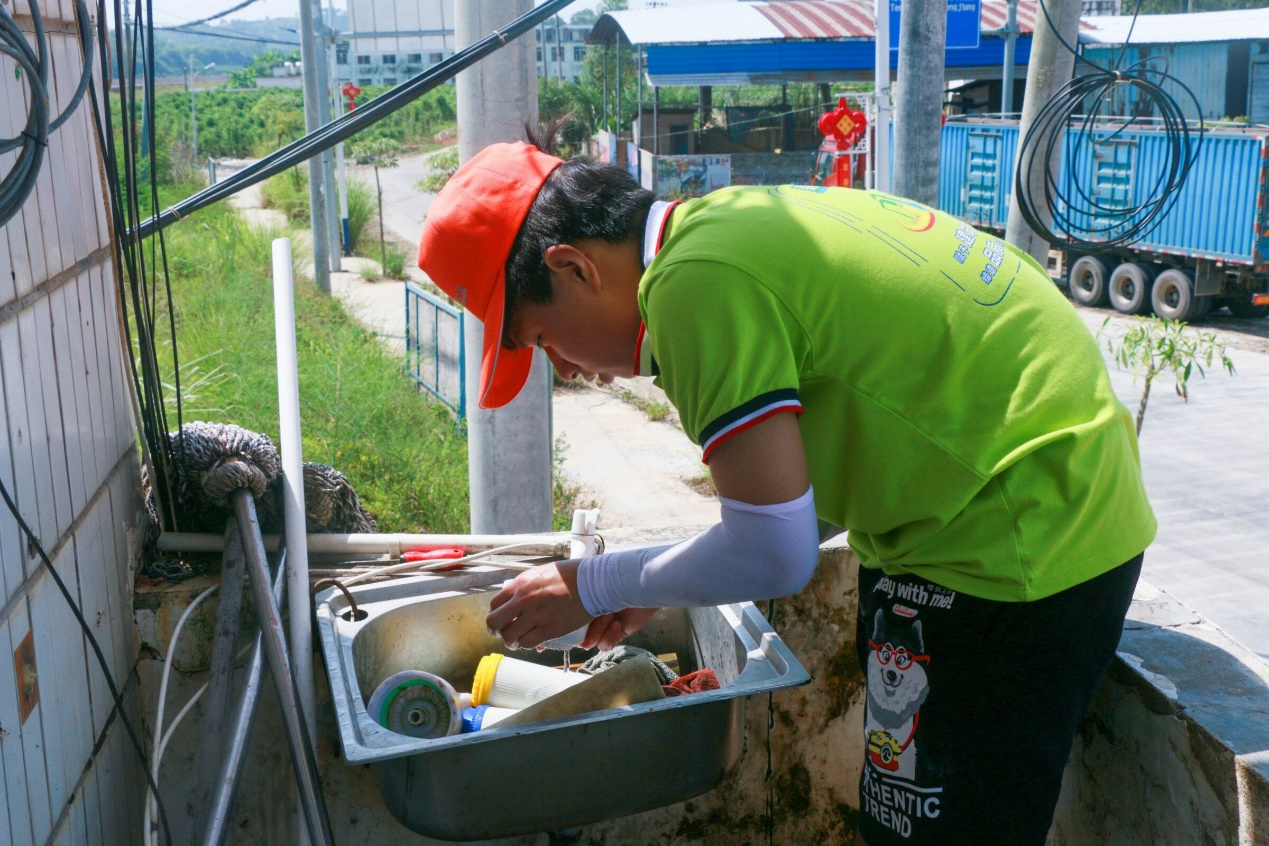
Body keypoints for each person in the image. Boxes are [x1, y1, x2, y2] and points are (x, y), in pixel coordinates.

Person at [416, 122, 1155, 846]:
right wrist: (656, 583)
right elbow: (797, 501)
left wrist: (596, 582)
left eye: (542, 339)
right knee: (908, 816)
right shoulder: (726, 229)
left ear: (574, 267)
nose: (567, 369)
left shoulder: (692, 289)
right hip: (1033, 505)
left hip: (1010, 540)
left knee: (937, 830)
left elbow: (775, 555)